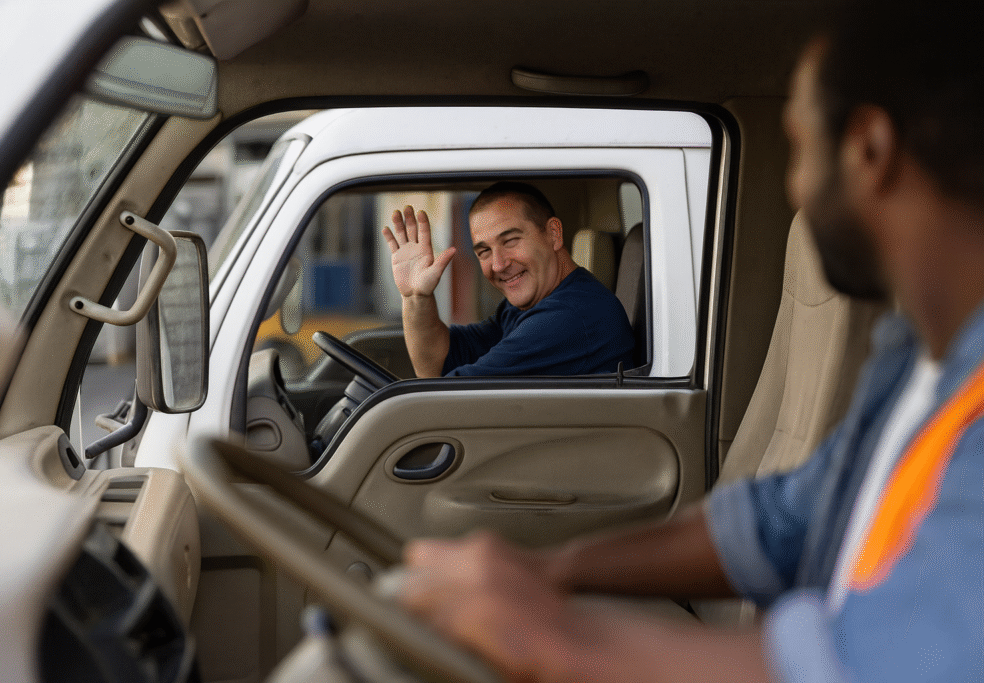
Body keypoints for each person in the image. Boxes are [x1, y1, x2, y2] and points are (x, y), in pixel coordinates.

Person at [397, 1, 984, 680]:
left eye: (797, 149)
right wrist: (550, 569)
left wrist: (559, 634)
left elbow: (880, 662)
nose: (792, 190)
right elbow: (779, 519)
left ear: (869, 150)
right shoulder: (909, 361)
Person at [380, 182, 635, 377]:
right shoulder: (529, 307)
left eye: (510, 241)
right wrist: (416, 296)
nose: (499, 264)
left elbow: (446, 399)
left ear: (554, 234)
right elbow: (437, 363)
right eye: (484, 251)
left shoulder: (569, 318)